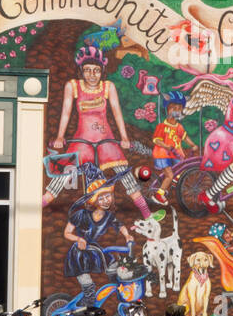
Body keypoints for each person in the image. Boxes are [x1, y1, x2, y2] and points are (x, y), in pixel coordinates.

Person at [45, 44, 152, 218]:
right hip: (82, 141)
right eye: (87, 70)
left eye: (96, 70)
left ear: (102, 71)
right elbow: (65, 113)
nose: (92, 75)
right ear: (81, 71)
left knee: (124, 174)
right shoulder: (72, 86)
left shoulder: (108, 87)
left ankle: (147, 214)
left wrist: (124, 138)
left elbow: (117, 113)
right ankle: (40, 205)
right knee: (63, 175)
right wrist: (60, 137)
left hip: (106, 140)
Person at [63, 179, 135, 308]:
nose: (106, 200)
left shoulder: (108, 216)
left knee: (113, 265)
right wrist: (78, 239)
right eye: (101, 198)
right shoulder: (81, 215)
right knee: (89, 288)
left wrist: (127, 235)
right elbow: (67, 233)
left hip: (95, 250)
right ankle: (82, 312)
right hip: (79, 253)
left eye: (108, 196)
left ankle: (118, 288)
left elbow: (120, 226)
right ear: (93, 201)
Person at [150, 90, 195, 205]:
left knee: (182, 165)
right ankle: (159, 194)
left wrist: (193, 145)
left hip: (175, 153)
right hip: (162, 154)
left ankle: (176, 179)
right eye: (173, 108)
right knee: (169, 175)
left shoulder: (179, 126)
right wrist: (165, 146)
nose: (176, 111)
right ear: (168, 109)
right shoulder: (162, 126)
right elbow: (157, 140)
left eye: (179, 108)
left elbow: (184, 137)